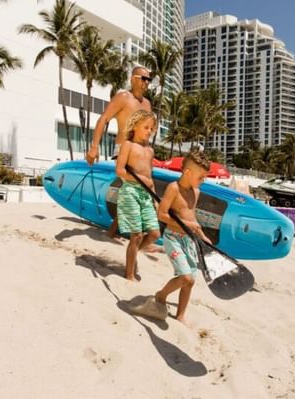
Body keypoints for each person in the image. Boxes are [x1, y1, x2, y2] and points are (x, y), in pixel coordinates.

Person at [87, 66, 153, 238]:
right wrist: (94, 146)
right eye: (143, 78)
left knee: (135, 189)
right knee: (137, 188)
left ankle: (112, 231)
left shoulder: (147, 104)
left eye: (149, 80)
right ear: (132, 79)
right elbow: (104, 119)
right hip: (124, 150)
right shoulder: (123, 97)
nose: (146, 82)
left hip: (141, 154)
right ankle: (136, 235)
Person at [154, 149, 211, 325]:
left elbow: (191, 218)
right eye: (201, 177)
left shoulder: (196, 192)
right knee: (185, 277)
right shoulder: (173, 188)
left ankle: (180, 315)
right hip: (172, 238)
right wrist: (185, 226)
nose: (203, 181)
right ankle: (161, 295)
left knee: (190, 281)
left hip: (189, 240)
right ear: (187, 172)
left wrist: (202, 236)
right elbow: (161, 214)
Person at [115, 110, 161, 281]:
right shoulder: (128, 145)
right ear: (135, 126)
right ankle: (129, 274)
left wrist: (155, 198)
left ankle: (134, 251)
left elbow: (150, 176)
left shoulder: (150, 151)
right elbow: (119, 170)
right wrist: (138, 178)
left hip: (147, 194)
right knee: (137, 235)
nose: (149, 131)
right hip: (131, 191)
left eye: (151, 128)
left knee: (155, 233)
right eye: (146, 127)